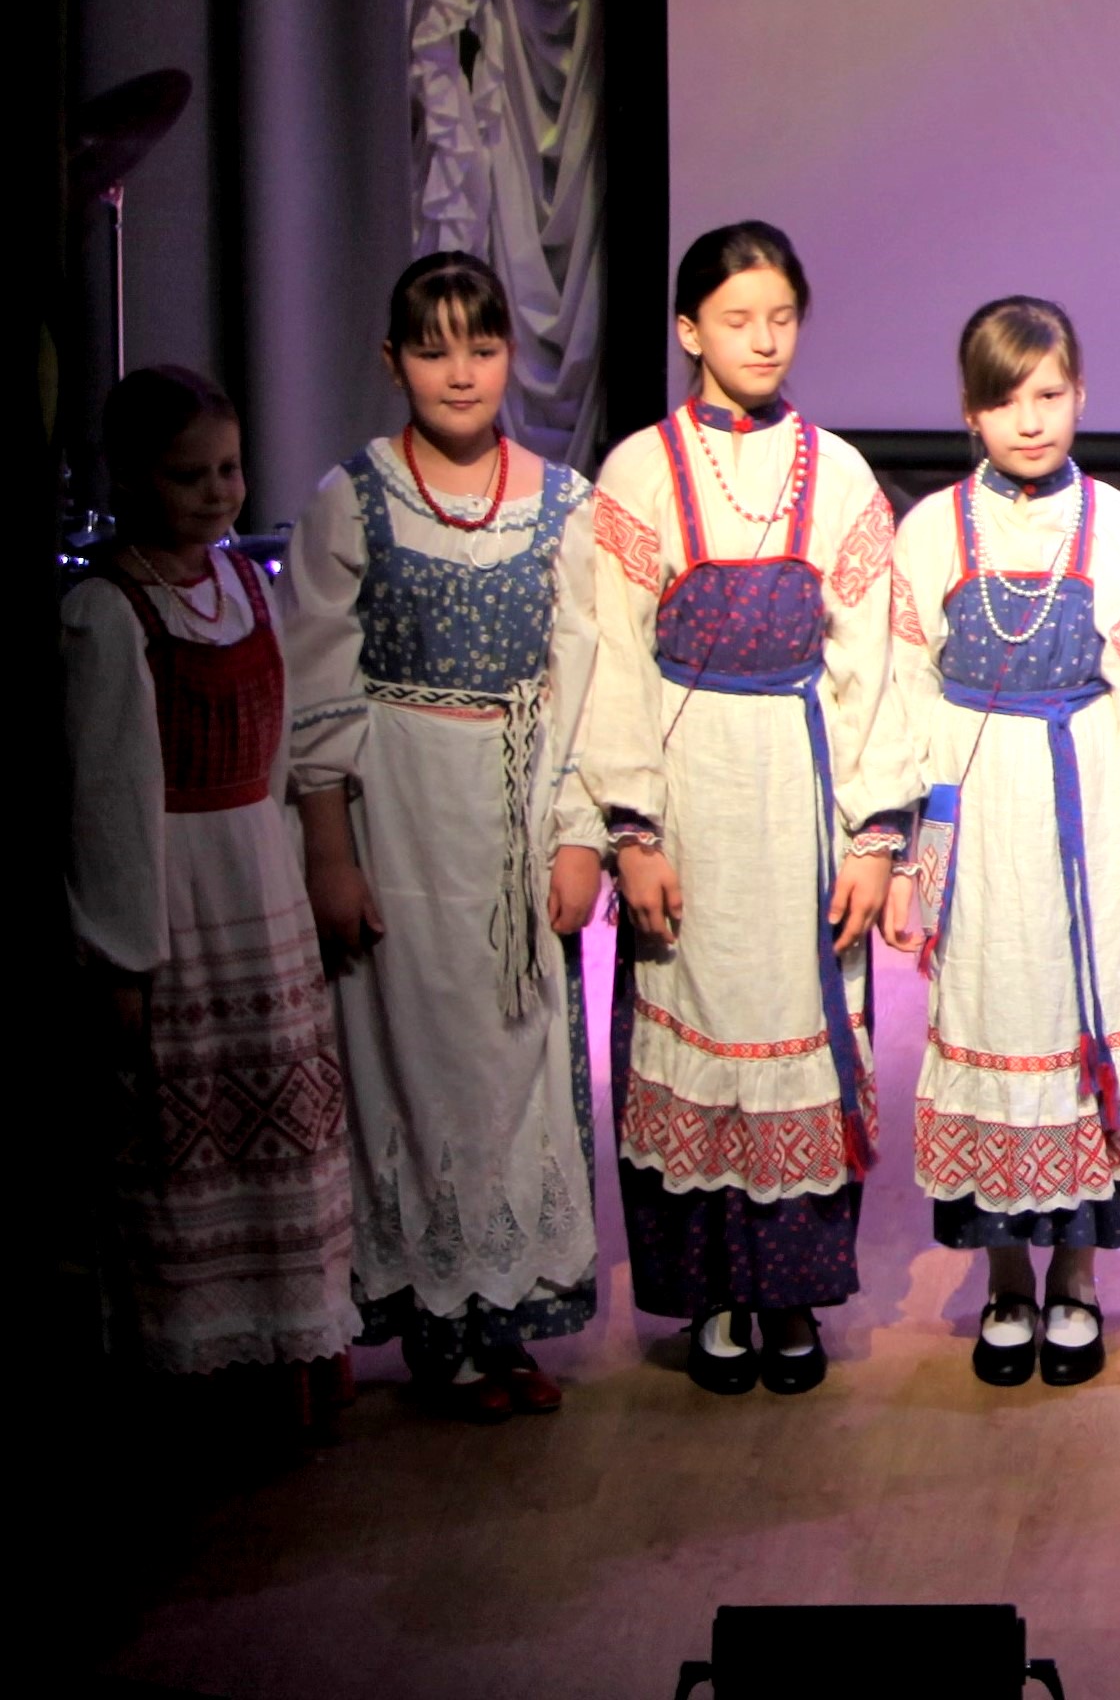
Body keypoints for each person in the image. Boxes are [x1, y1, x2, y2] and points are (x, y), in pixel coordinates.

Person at [576, 223, 911, 1398]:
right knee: (692, 1017)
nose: (762, 341)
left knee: (804, 1028)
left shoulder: (840, 473)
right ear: (688, 331)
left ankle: (793, 1294)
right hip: (691, 788)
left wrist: (875, 835)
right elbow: (611, 661)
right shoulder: (639, 471)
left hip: (800, 786)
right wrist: (633, 829)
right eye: (736, 320)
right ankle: (714, 1292)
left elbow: (874, 665)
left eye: (780, 318)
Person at [280, 254, 606, 1418]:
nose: (460, 372)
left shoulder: (563, 504)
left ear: (510, 355)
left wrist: (578, 835)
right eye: (432, 349)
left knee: (515, 1058)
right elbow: (315, 685)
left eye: (481, 346)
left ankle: (504, 1309)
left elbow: (587, 683)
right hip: (402, 816)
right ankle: (438, 1322)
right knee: (414, 1059)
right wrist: (329, 850)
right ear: (393, 361)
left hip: (514, 813)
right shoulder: (354, 498)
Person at [879, 299, 1120, 1390]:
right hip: (977, 812)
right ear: (970, 411)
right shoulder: (931, 531)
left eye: (1050, 395)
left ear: (1081, 397)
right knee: (988, 1011)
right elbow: (898, 694)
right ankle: (1006, 1279)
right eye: (1005, 400)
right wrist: (902, 849)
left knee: (1084, 1021)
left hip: (1087, 803)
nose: (1030, 420)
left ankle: (1077, 1279)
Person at [70, 364, 362, 1412]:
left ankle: (288, 1363)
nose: (217, 493)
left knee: (276, 1131)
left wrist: (294, 866)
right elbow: (107, 797)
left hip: (257, 883)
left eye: (230, 470)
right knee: (188, 1141)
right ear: (132, 477)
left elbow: (277, 747)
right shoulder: (108, 611)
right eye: (189, 475)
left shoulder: (244, 584)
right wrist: (120, 953)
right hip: (176, 895)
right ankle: (198, 1380)